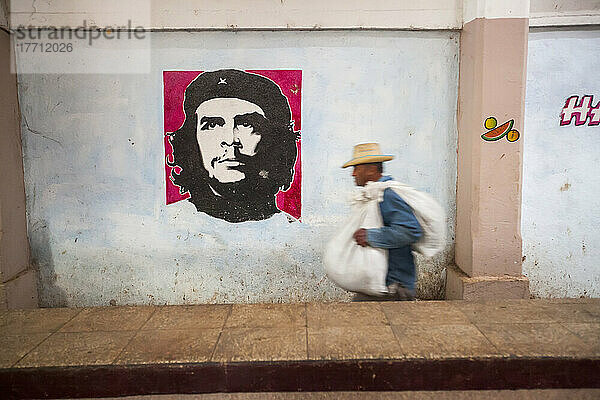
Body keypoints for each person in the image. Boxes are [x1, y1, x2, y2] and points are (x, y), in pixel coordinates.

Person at [168, 69, 299, 223]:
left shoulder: (294, 230)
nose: (230, 140)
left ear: (276, 142)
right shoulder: (166, 223)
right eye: (212, 125)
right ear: (191, 140)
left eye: (247, 124)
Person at [342, 143, 423, 301]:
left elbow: (411, 231)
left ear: (371, 169)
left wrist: (370, 236)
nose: (353, 174)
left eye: (356, 168)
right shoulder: (375, 194)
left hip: (394, 287)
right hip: (382, 284)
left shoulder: (387, 195)